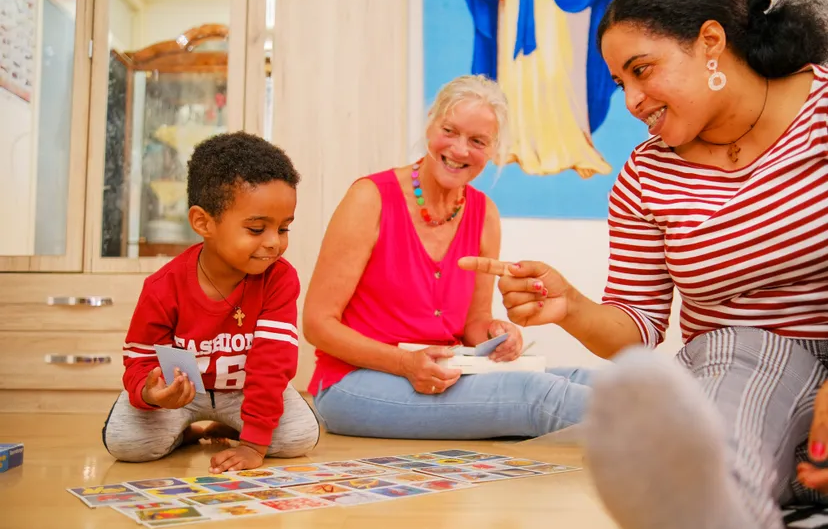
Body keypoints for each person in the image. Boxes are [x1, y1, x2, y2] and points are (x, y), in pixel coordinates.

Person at [461, 0, 828, 529]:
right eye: (619, 83)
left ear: (710, 42)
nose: (632, 100)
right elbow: (638, 328)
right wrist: (570, 307)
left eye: (642, 70)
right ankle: (717, 511)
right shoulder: (645, 177)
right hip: (748, 368)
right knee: (734, 353)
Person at [302, 74, 591, 440]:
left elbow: (475, 323)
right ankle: (675, 433)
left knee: (587, 378)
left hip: (445, 372)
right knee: (537, 396)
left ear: (492, 150)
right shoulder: (370, 198)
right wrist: (405, 363)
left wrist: (497, 333)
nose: (459, 149)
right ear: (430, 123)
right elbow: (316, 324)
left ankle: (670, 421)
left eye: (477, 141)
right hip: (353, 384)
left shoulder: (484, 214)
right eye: (450, 131)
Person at [102, 132, 320, 473]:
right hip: (183, 399)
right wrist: (152, 393)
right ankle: (185, 432)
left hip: (246, 393)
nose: (274, 243)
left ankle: (233, 426)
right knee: (127, 442)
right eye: (257, 228)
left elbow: (271, 364)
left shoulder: (279, 278)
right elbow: (140, 360)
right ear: (203, 222)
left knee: (298, 437)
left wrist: (253, 445)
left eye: (284, 228)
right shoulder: (162, 287)